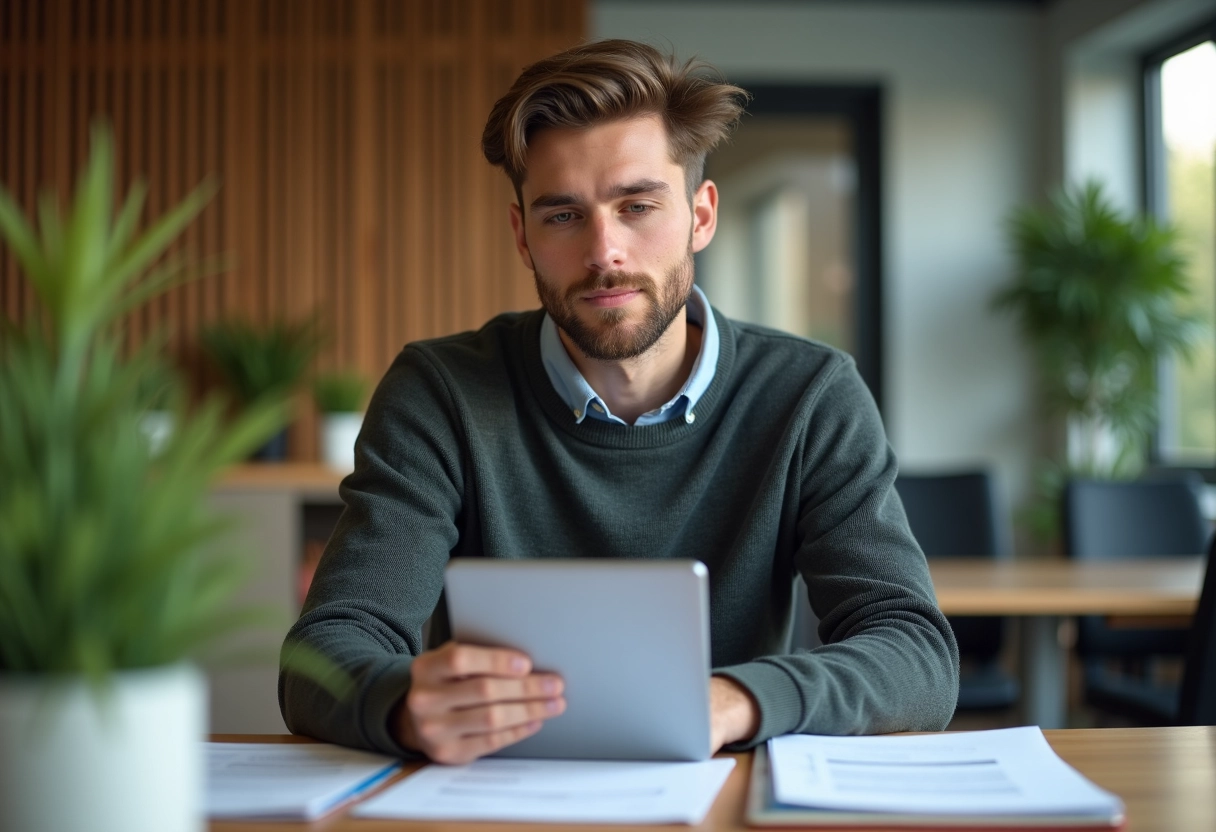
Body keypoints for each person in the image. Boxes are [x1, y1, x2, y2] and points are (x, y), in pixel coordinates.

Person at [280, 39, 959, 765]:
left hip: (719, 793)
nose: (604, 251)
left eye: (637, 206)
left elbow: (915, 653)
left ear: (701, 215)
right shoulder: (440, 392)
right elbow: (325, 652)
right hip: (491, 797)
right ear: (522, 235)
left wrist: (735, 700)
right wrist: (401, 704)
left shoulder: (810, 395)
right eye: (562, 216)